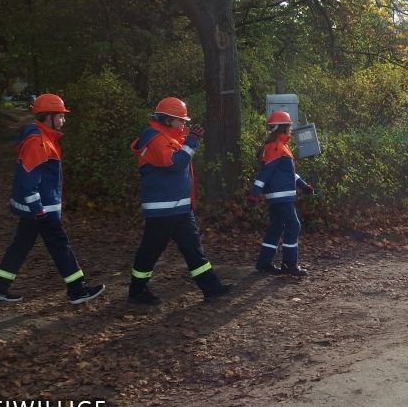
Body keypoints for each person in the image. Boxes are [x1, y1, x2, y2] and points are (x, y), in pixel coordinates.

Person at [0, 94, 105, 304]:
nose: (63, 120)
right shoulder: (38, 141)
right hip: (42, 208)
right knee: (60, 245)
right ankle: (77, 290)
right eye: (60, 116)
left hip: (38, 207)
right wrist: (37, 207)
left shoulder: (43, 138)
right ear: (49, 117)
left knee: (21, 245)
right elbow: (27, 180)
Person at [127, 97, 232, 304]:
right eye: (180, 120)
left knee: (193, 248)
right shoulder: (154, 138)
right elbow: (175, 163)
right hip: (163, 209)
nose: (184, 124)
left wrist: (190, 139)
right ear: (167, 119)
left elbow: (181, 153)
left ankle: (211, 287)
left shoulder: (168, 137)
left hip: (178, 208)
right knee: (151, 250)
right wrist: (192, 141)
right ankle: (137, 291)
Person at [247, 110, 314, 276]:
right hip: (281, 197)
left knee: (277, 227)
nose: (291, 129)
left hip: (279, 196)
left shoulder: (279, 146)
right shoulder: (276, 147)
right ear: (283, 128)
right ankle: (289, 265)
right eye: (289, 126)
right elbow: (265, 172)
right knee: (293, 225)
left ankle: (264, 263)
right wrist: (254, 192)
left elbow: (288, 173)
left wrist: (303, 185)